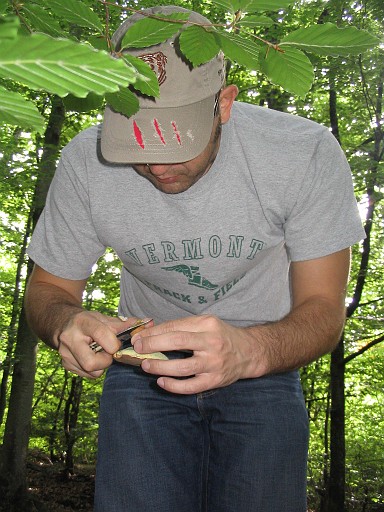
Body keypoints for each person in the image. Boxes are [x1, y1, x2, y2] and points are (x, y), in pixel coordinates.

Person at [24, 5, 366, 512]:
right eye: (135, 142)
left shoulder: (301, 153)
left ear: (223, 104)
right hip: (140, 367)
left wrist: (249, 352)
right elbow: (48, 292)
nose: (157, 165)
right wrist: (66, 323)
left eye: (177, 139)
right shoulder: (84, 161)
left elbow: (323, 311)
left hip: (265, 363)